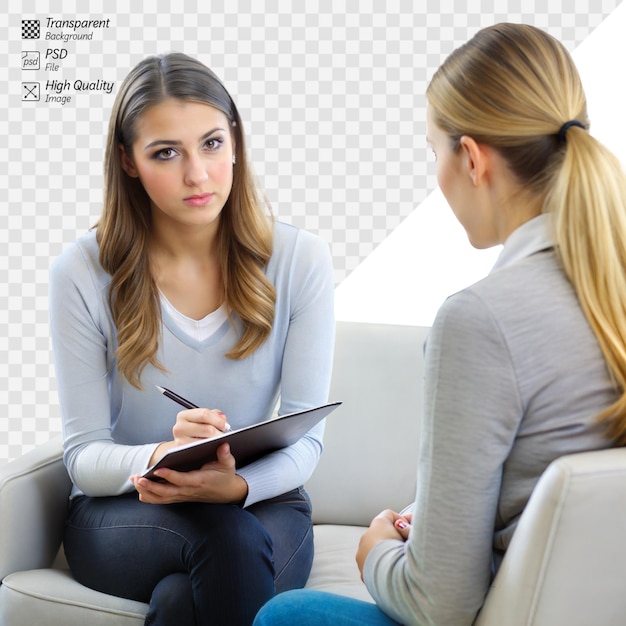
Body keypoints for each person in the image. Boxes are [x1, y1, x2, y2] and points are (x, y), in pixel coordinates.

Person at [253, 22, 626, 626]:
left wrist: (374, 551)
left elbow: (440, 605)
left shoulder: (479, 320)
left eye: (435, 152)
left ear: (472, 157)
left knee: (285, 615)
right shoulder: (611, 288)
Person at [48, 52, 335, 626]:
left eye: (210, 143)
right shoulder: (81, 272)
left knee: (186, 597)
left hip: (260, 502)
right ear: (128, 162)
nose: (198, 175)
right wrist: (164, 456)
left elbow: (308, 437)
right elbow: (84, 457)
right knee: (225, 543)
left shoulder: (300, 261)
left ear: (235, 142)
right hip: (124, 510)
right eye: (166, 153)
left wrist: (235, 486)